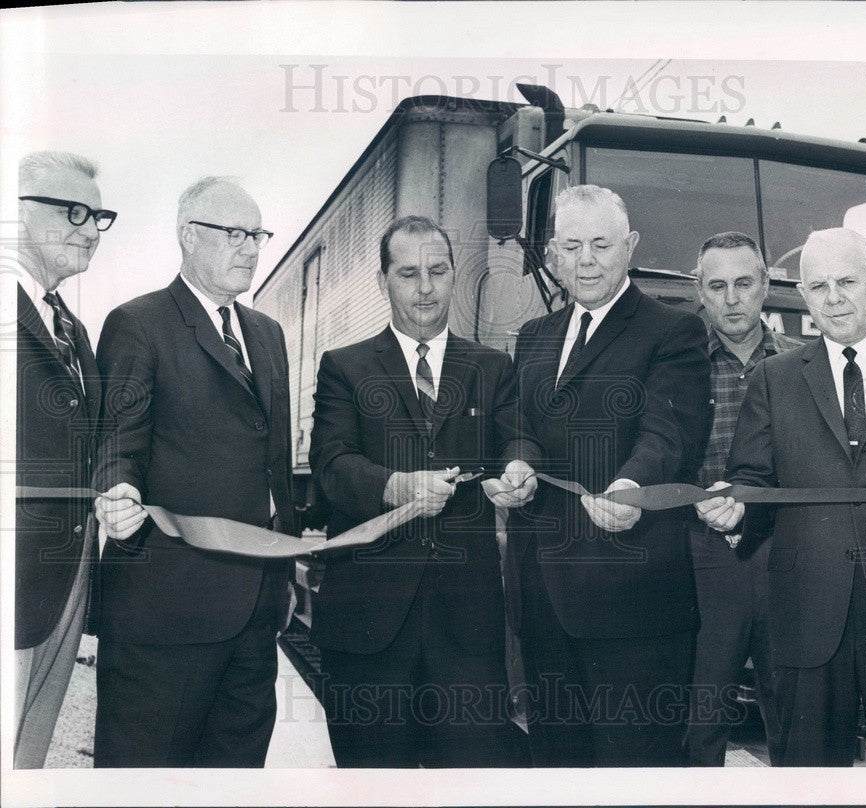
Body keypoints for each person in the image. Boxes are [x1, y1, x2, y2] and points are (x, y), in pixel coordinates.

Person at [697, 227, 866, 768]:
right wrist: (735, 511)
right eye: (818, 286)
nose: (834, 298)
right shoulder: (774, 378)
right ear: (802, 297)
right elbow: (751, 477)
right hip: (805, 623)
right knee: (809, 785)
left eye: (847, 281)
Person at [308, 215, 540, 767]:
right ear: (383, 281)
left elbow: (519, 439)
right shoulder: (344, 368)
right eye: (408, 273)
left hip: (467, 632)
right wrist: (396, 486)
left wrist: (519, 471)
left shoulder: (491, 367)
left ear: (455, 274)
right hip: (368, 627)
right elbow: (331, 464)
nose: (426, 287)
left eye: (438, 271)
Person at [91, 177, 294, 767]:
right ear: (187, 235)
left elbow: (274, 465)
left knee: (234, 777)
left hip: (256, 613)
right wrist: (118, 488)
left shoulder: (268, 335)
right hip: (165, 616)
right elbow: (118, 442)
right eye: (233, 233)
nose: (250, 247)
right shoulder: (139, 323)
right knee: (145, 781)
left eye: (256, 234)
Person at [507, 185, 711, 766]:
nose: (586, 260)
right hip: (545, 598)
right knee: (556, 766)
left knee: (635, 770)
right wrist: (517, 463)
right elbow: (521, 427)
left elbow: (668, 433)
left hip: (634, 602)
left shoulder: (672, 331)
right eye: (571, 246)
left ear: (630, 247)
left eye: (600, 244)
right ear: (552, 254)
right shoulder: (533, 338)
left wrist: (631, 486)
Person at [14, 151, 116, 768]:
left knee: (27, 753)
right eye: (72, 211)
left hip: (67, 573)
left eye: (97, 216)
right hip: (15, 571)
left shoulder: (72, 327)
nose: (89, 229)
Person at [685, 232, 799, 766]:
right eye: (717, 285)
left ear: (766, 286)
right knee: (698, 716)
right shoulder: (677, 365)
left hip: (786, 555)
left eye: (744, 283)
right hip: (701, 556)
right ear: (699, 293)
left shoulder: (804, 365)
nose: (732, 298)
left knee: (795, 715)